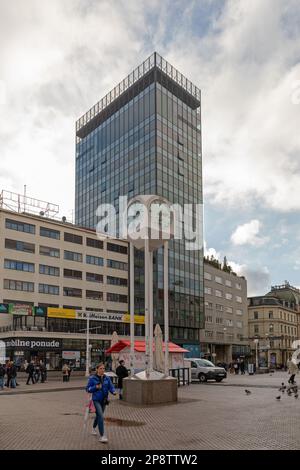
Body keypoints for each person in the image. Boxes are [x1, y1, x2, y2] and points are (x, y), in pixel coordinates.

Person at [86, 362, 117, 443]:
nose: (102, 370)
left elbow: (111, 386)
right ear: (97, 369)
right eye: (100, 368)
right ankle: (102, 435)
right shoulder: (92, 378)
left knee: (99, 415)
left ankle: (93, 428)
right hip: (96, 400)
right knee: (100, 415)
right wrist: (95, 387)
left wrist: (113, 391)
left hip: (104, 400)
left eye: (103, 368)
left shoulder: (107, 378)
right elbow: (87, 389)